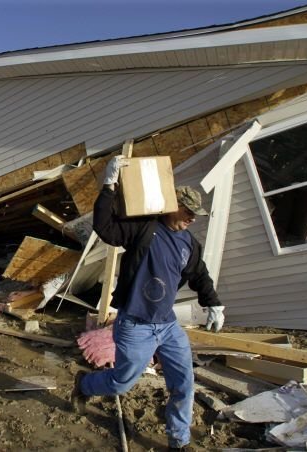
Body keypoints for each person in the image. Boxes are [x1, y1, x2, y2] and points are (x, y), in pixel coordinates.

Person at [71, 155, 225, 450]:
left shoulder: (189, 243)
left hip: (167, 325)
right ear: (172, 205)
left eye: (196, 214)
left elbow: (199, 274)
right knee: (122, 382)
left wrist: (213, 302)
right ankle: (85, 384)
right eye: (188, 211)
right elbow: (105, 227)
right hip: (136, 324)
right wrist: (108, 184)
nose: (192, 218)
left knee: (184, 383)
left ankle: (178, 441)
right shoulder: (144, 228)